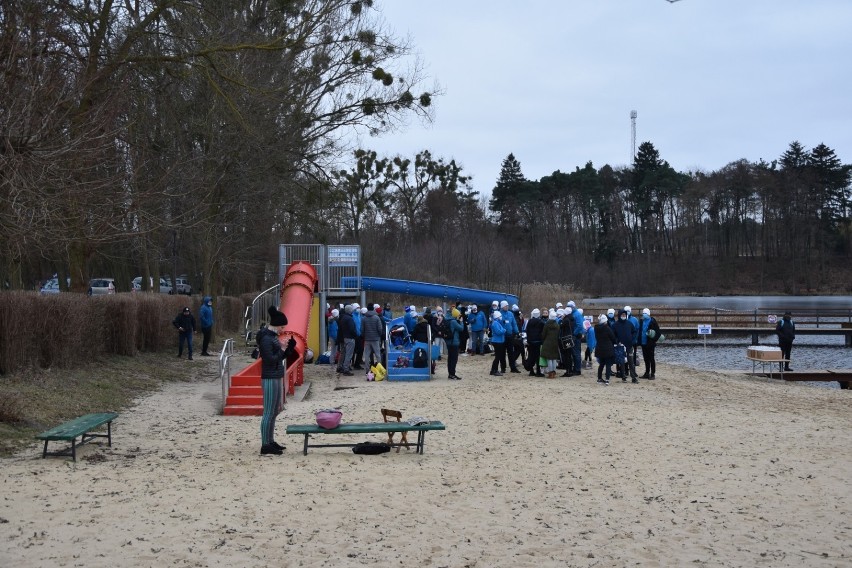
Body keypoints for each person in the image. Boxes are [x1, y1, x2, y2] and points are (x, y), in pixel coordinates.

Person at [257, 305, 297, 455]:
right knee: (268, 411)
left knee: (276, 409)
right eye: (282, 326)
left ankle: (270, 440)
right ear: (275, 325)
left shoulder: (272, 337)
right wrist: (284, 351)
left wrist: (288, 350)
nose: (283, 329)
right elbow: (270, 359)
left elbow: (278, 357)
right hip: (269, 376)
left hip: (276, 375)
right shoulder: (267, 339)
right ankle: (265, 444)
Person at [613, 309, 639, 383]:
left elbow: (634, 332)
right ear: (619, 315)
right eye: (622, 315)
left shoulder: (629, 323)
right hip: (620, 346)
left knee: (631, 361)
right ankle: (623, 376)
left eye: (624, 315)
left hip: (629, 345)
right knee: (622, 362)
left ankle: (633, 378)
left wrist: (633, 340)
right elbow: (613, 334)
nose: (623, 316)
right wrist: (617, 341)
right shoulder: (615, 325)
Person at [594, 314, 618, 385]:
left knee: (601, 364)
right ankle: (607, 379)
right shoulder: (607, 328)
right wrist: (615, 342)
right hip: (608, 349)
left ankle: (599, 378)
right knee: (608, 364)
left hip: (599, 348)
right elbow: (613, 338)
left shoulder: (596, 328)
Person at [639, 308, 661, 379]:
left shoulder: (653, 322)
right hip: (643, 343)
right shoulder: (641, 321)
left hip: (650, 344)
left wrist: (653, 340)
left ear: (648, 314)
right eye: (643, 313)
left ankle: (652, 374)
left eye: (645, 313)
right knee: (646, 359)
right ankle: (647, 373)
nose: (644, 314)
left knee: (651, 359)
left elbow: (658, 333)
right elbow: (640, 331)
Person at [361, 304, 384, 371]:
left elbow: (362, 330)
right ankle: (379, 369)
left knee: (367, 355)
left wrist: (364, 336)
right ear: (373, 309)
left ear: (367, 309)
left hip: (367, 339)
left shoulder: (364, 318)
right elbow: (380, 329)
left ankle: (367, 370)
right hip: (376, 339)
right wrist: (379, 335)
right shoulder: (377, 317)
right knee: (377, 355)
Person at [540, 310, 561, 378]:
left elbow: (543, 334)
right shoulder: (557, 325)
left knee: (549, 358)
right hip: (555, 343)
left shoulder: (547, 324)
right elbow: (558, 335)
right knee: (554, 358)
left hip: (547, 342)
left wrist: (543, 340)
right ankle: (554, 372)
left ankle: (550, 372)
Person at [524, 308, 545, 377]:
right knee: (537, 357)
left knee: (531, 356)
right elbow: (543, 332)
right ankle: (538, 371)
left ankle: (531, 370)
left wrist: (528, 340)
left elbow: (527, 331)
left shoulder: (529, 321)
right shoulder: (541, 322)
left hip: (530, 341)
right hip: (538, 341)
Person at [338, 304, 357, 376]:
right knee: (349, 354)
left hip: (345, 337)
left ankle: (342, 366)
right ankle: (346, 369)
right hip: (350, 338)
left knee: (344, 353)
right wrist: (355, 335)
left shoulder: (343, 318)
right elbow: (352, 329)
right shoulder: (349, 319)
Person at [446, 308, 464, 380]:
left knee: (450, 358)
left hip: (448, 341)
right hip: (454, 342)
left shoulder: (446, 320)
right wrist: (461, 321)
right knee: (454, 359)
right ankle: (452, 374)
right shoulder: (453, 321)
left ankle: (450, 373)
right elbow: (461, 328)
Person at [489, 311, 507, 376]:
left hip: (499, 341)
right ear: (497, 317)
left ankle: (493, 370)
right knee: (498, 357)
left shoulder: (497, 323)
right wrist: (504, 330)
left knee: (498, 356)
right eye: (500, 316)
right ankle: (494, 370)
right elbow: (498, 332)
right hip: (497, 341)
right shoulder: (495, 323)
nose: (501, 317)